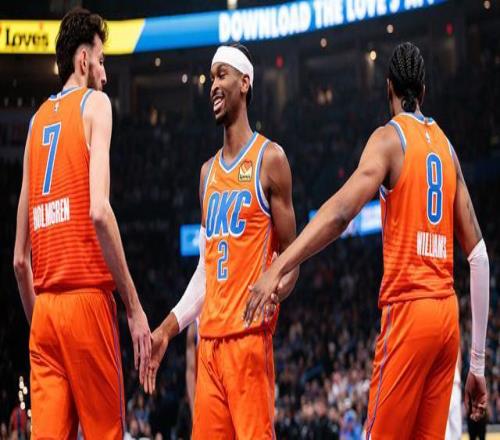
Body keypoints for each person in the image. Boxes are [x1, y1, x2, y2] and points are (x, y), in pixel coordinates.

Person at [245, 42, 490, 439]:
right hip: (447, 319)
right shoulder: (447, 148)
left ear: (388, 86)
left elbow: (341, 214)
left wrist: (280, 265)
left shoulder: (389, 138)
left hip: (409, 311)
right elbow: (479, 257)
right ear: (423, 91)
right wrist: (477, 365)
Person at [144, 43, 299, 438]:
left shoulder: (270, 159)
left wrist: (276, 290)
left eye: (222, 75)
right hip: (209, 345)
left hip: (248, 341)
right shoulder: (206, 174)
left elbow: (291, 257)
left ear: (245, 83)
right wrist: (166, 329)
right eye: (211, 77)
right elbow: (205, 272)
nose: (213, 85)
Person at [12, 8, 151, 439]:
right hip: (87, 301)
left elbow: (19, 261)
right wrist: (134, 307)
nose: (105, 75)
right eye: (103, 61)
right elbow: (98, 211)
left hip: (44, 312)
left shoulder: (34, 123)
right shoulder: (96, 105)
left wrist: (44, 329)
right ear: (84, 60)